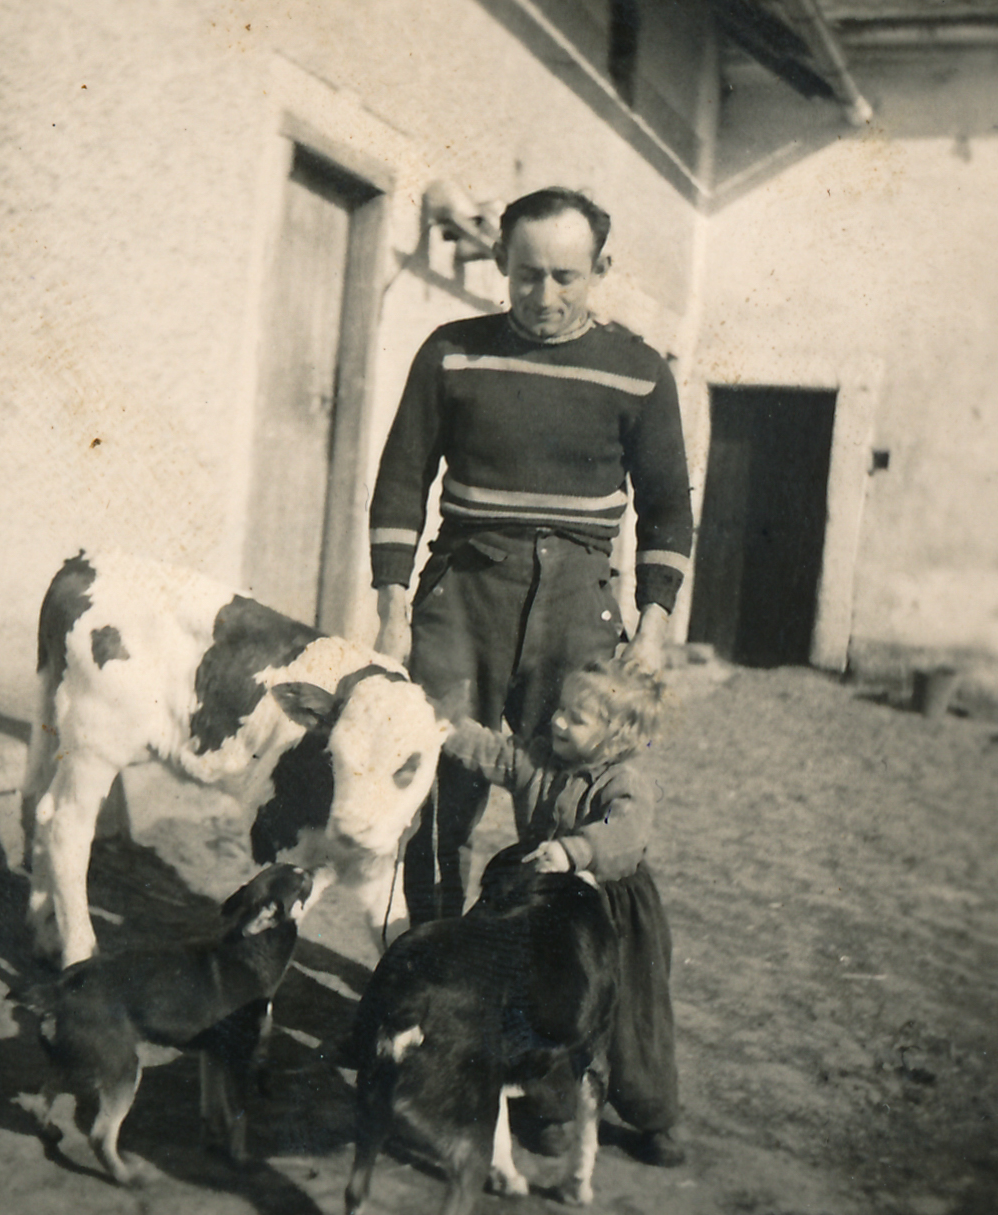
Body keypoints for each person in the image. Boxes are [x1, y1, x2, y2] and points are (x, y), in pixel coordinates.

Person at [370, 185, 693, 924]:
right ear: (499, 260)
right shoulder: (450, 351)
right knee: (434, 787)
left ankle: (529, 967)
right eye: (526, 274)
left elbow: (669, 508)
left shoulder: (639, 370)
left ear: (600, 269)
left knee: (563, 799)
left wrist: (651, 629)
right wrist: (392, 610)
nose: (543, 296)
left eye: (565, 277)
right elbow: (400, 480)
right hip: (464, 592)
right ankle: (430, 955)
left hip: (578, 603)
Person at [443, 658, 684, 1167]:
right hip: (551, 902)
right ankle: (548, 1108)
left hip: (614, 909)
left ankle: (652, 1115)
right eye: (560, 709)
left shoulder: (625, 783)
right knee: (547, 999)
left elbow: (625, 833)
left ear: (616, 737)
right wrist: (439, 725)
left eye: (576, 718)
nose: (557, 721)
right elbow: (493, 752)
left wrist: (577, 851)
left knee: (631, 1011)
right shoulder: (536, 760)